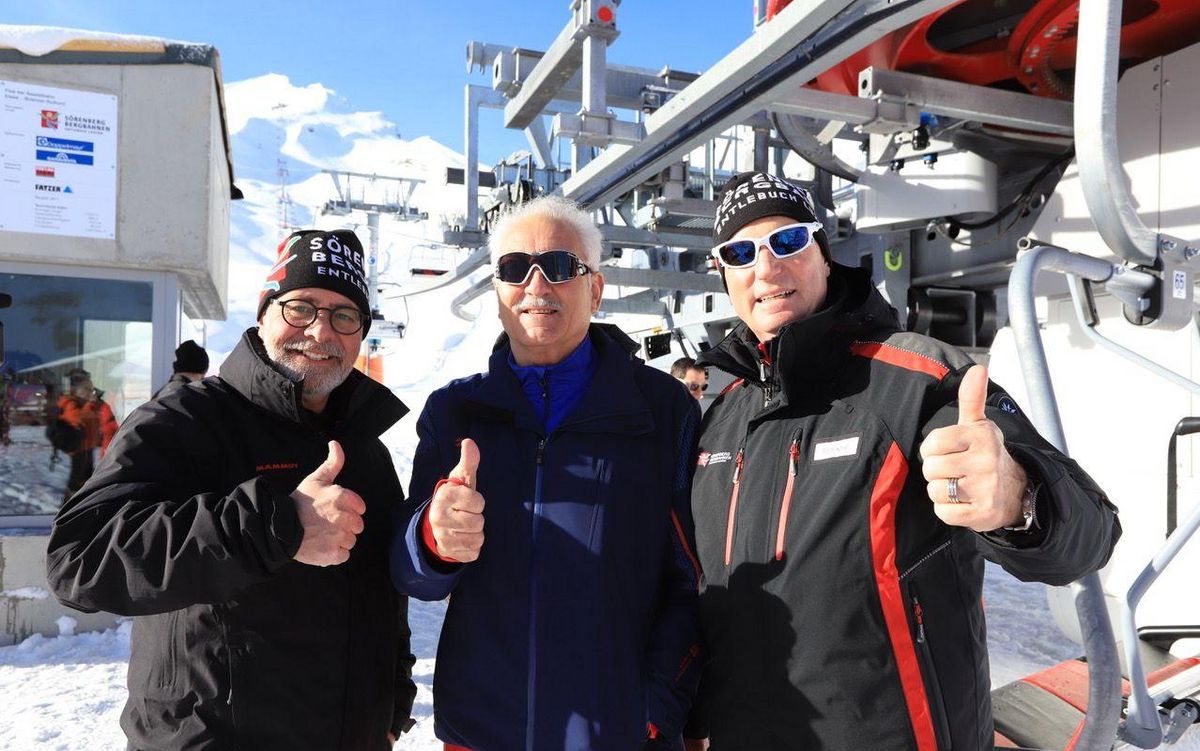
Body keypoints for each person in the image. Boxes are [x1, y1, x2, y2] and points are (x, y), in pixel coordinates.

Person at [684, 172, 1121, 751]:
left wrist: (1019, 498)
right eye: (740, 254)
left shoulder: (919, 381)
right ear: (724, 275)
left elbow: (1091, 535)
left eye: (787, 241)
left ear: (823, 254)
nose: (765, 268)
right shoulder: (722, 417)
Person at [46, 229, 417, 750]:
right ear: (264, 314)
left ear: (360, 335)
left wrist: (392, 705)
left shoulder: (365, 448)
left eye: (344, 316)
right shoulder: (186, 420)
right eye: (300, 308)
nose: (320, 331)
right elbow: (79, 561)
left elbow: (385, 597)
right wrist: (274, 527)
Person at [391, 196, 703, 751]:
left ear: (595, 289)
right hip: (482, 734)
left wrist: (656, 711)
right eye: (515, 268)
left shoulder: (662, 410)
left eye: (559, 266)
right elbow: (414, 577)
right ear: (497, 291)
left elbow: (694, 578)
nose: (536, 284)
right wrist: (434, 541)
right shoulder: (455, 413)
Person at [52, 368, 118, 499]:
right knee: (77, 480)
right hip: (78, 449)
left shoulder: (83, 404)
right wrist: (92, 404)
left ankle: (79, 501)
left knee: (86, 478)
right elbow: (78, 418)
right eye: (87, 389)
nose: (90, 392)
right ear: (74, 390)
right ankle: (71, 504)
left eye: (91, 389)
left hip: (87, 447)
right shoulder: (69, 403)